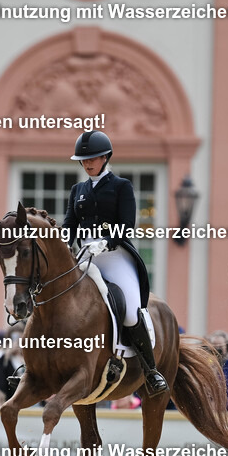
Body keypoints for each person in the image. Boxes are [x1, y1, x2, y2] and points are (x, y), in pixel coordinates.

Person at [62, 130, 167, 398]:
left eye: (93, 158)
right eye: (83, 160)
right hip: (86, 256)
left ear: (105, 157)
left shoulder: (122, 187)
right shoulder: (78, 190)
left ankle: (151, 369)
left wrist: (106, 241)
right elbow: (69, 224)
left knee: (131, 311)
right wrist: (63, 242)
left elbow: (126, 224)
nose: (87, 164)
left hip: (115, 255)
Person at [0, 328, 25, 399]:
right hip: (8, 398)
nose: (18, 344)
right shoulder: (2, 357)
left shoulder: (27, 357)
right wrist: (7, 356)